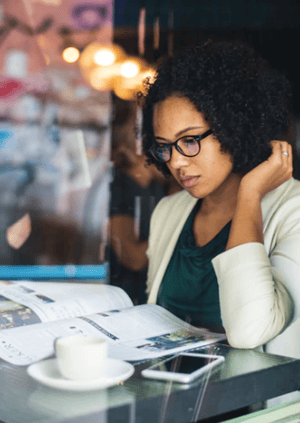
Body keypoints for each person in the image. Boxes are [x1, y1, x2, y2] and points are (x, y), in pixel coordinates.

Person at [139, 40, 300, 357]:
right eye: (164, 146)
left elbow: (248, 329)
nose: (175, 161)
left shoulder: (292, 212)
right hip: (168, 398)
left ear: (233, 126)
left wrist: (250, 194)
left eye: (189, 140)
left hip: (254, 405)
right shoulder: (169, 211)